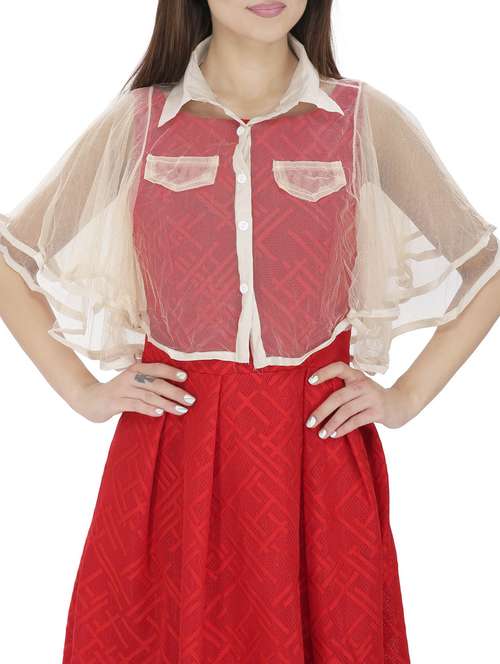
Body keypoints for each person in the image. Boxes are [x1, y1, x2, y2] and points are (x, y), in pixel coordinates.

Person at [1, 1, 499, 662]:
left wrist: (405, 397)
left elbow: (486, 268)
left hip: (316, 456)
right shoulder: (140, 123)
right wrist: (83, 392)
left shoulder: (360, 120)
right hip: (171, 458)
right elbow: (12, 260)